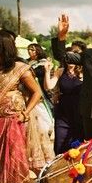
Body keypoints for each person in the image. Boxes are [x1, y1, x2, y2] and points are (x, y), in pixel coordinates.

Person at [0, 30, 42, 183]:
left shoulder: (19, 68)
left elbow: (36, 92)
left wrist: (26, 112)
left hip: (11, 122)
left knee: (8, 160)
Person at [43, 51, 84, 154]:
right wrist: (47, 71)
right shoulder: (60, 71)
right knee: (60, 141)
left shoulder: (83, 72)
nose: (70, 60)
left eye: (73, 58)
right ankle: (59, 164)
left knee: (77, 141)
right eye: (68, 57)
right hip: (63, 110)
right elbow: (49, 86)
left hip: (79, 110)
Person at [25, 43, 55, 172]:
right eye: (29, 49)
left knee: (46, 124)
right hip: (30, 97)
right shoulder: (26, 63)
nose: (31, 51)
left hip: (42, 95)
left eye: (33, 49)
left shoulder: (43, 63)